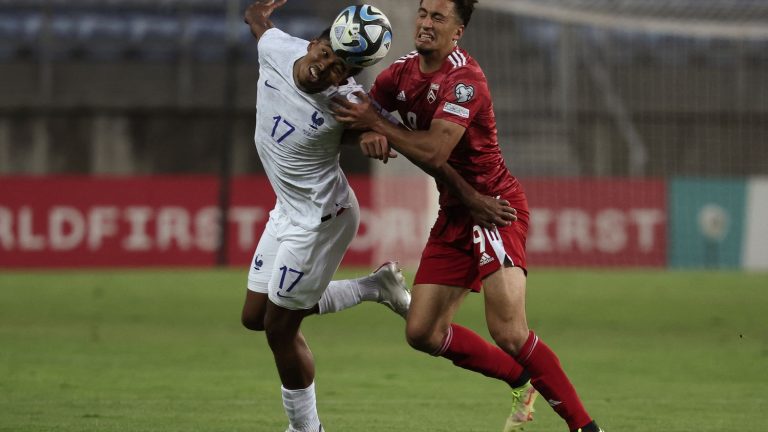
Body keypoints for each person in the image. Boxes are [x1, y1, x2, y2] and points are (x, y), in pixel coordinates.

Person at [331, 1, 604, 431]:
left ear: (457, 32)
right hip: (455, 212)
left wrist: (378, 126)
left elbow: (435, 151)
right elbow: (352, 123)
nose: (424, 23)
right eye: (422, 13)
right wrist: (367, 129)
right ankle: (520, 381)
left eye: (438, 18)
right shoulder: (397, 74)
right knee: (422, 332)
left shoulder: (464, 80)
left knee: (510, 332)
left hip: (493, 207)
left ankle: (586, 427)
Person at [239, 1, 413, 431]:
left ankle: (307, 428)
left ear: (349, 77)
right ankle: (375, 287)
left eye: (339, 69)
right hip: (287, 208)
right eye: (325, 55)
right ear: (314, 43)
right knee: (253, 318)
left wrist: (375, 131)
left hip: (322, 219)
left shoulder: (346, 102)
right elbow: (257, 21)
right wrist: (258, 8)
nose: (325, 69)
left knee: (279, 329)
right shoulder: (278, 49)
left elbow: (376, 126)